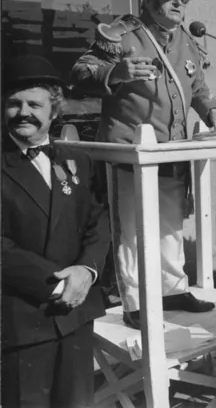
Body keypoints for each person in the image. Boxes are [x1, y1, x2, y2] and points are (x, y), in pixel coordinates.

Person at [70, 0, 216, 329]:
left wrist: (213, 112)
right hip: (131, 151)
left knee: (170, 226)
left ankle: (172, 289)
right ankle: (136, 301)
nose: (179, 4)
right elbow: (78, 74)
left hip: (171, 149)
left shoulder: (187, 42)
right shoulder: (122, 35)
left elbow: (198, 87)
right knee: (134, 228)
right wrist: (115, 72)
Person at [2, 54, 111, 407]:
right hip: (22, 320)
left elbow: (99, 222)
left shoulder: (77, 160)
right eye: (14, 104)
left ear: (54, 111)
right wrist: (60, 282)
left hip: (76, 316)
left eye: (34, 104)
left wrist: (86, 270)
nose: (23, 113)